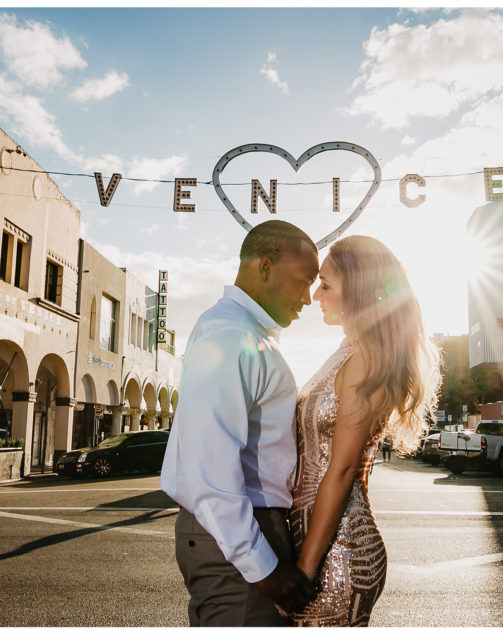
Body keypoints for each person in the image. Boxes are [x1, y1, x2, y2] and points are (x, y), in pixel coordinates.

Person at [160, 220, 319, 626]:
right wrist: (261, 565)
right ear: (264, 267)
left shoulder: (241, 330)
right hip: (240, 536)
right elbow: (209, 468)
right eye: (304, 281)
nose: (309, 298)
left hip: (242, 532)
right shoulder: (231, 336)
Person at [290, 235, 440, 626]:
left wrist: (304, 572)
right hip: (316, 542)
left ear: (356, 291)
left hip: (339, 553)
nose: (315, 294)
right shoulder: (346, 349)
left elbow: (341, 471)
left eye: (325, 284)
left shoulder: (367, 357)